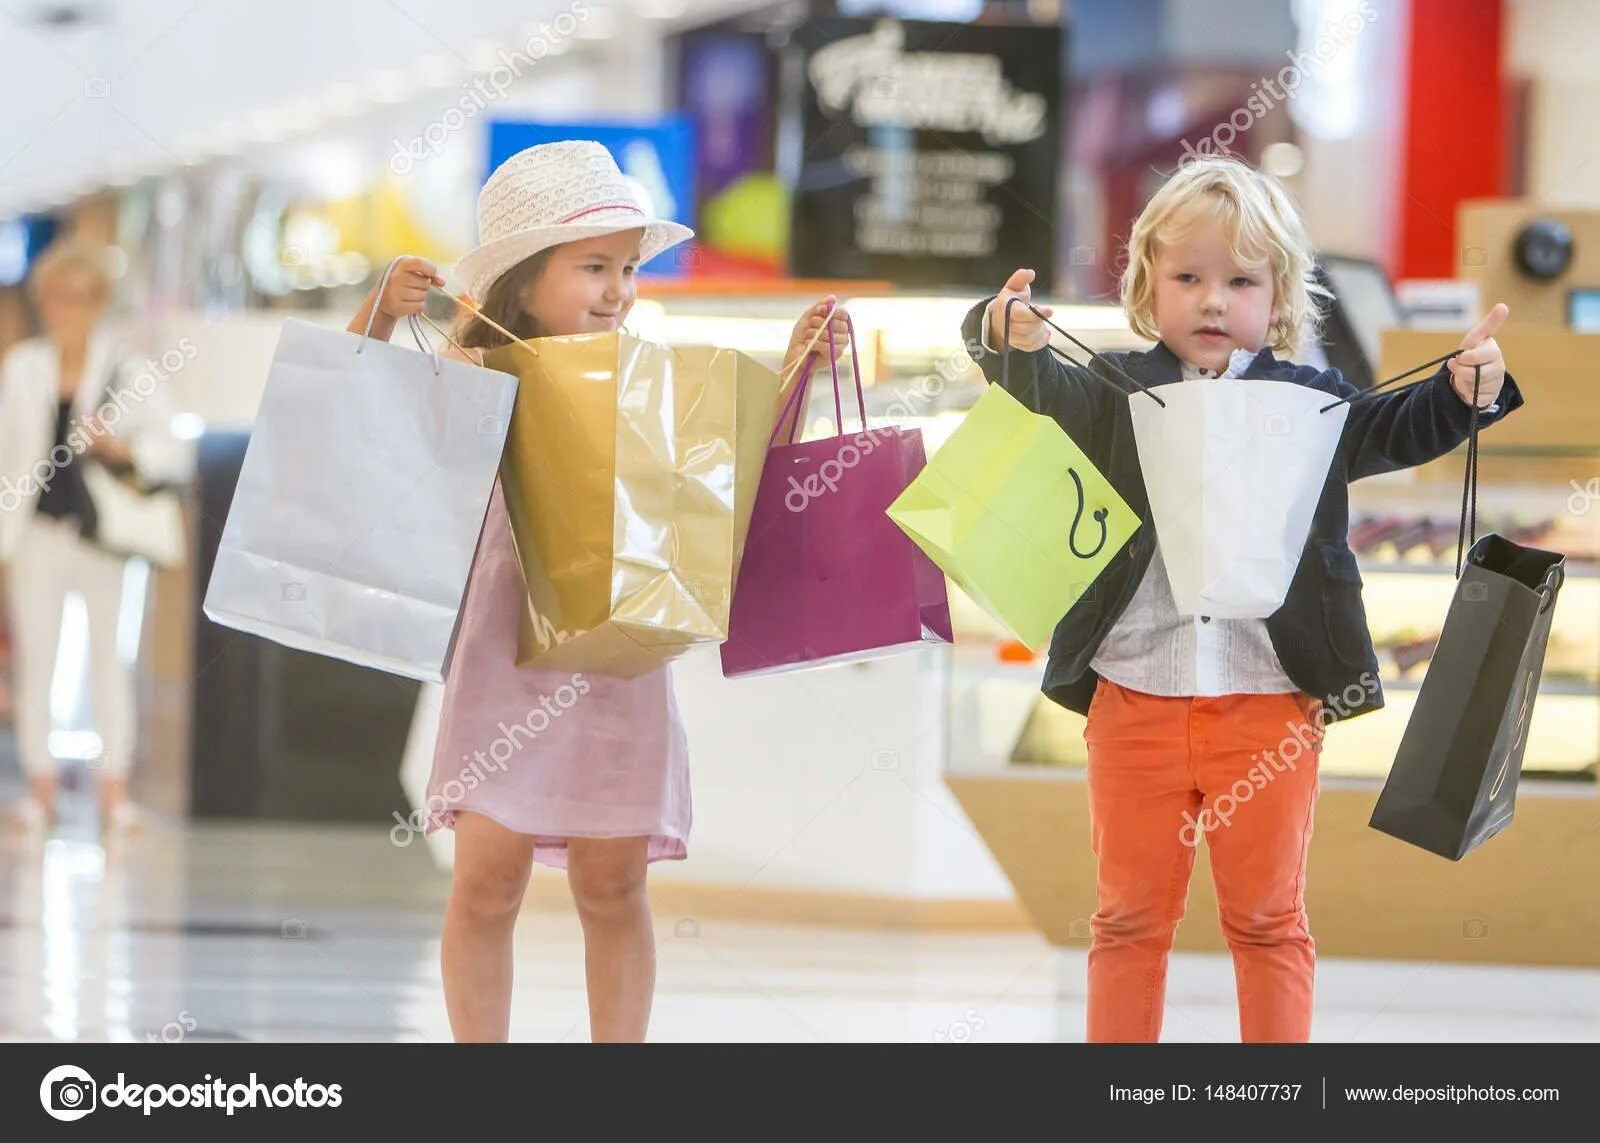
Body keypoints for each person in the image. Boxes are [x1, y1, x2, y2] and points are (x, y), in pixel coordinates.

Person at [963, 156, 1521, 1042]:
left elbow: (1394, 427)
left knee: (1267, 922)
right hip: (1132, 697)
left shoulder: (1312, 401)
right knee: (1125, 923)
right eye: (1187, 277)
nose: (1213, 300)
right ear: (1148, 286)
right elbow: (1037, 381)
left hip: (1271, 704)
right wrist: (1004, 334)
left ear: (1281, 295)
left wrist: (1465, 389)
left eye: (1240, 280)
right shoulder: (1116, 388)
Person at [348, 140, 848, 1042]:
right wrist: (379, 318)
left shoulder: (650, 380)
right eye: (592, 267)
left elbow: (730, 478)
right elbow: (358, 413)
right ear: (521, 278)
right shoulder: (472, 374)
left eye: (626, 269)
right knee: (485, 881)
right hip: (505, 662)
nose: (618, 289)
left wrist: (799, 366)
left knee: (614, 885)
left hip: (618, 671)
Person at [0, 238, 183, 834]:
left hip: (103, 535)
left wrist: (118, 448)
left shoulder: (128, 371)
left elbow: (168, 451)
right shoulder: (23, 368)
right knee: (38, 660)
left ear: (98, 303)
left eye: (78, 298)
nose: (66, 310)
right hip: (37, 532)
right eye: (55, 298)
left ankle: (113, 792)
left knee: (110, 658)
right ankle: (41, 789)